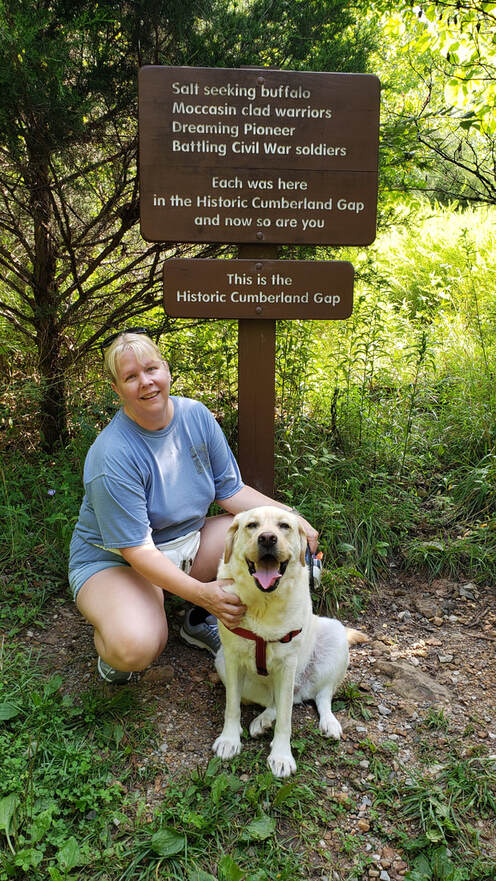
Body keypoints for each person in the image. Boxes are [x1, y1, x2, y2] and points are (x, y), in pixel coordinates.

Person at [68, 329, 319, 683]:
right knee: (135, 646)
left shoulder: (196, 416)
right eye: (131, 377)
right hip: (118, 562)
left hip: (188, 542)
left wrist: (293, 519)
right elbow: (137, 551)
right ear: (117, 389)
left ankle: (199, 619)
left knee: (261, 542)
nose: (146, 382)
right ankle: (121, 639)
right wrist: (204, 592)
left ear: (167, 370)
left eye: (151, 369)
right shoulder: (111, 456)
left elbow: (231, 491)